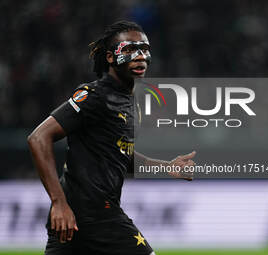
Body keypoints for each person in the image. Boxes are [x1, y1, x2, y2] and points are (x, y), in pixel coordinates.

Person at [28, 20, 195, 255]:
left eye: (144, 49)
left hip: (79, 217)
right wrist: (58, 203)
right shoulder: (94, 96)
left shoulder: (130, 103)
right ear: (109, 58)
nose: (139, 56)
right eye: (129, 50)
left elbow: (121, 155)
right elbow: (38, 138)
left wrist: (166, 167)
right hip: (95, 214)